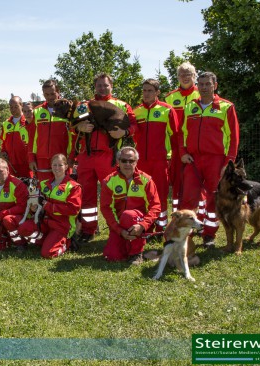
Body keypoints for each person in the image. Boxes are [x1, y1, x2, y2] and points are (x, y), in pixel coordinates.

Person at [73, 73, 138, 244]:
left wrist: (123, 132)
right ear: (95, 87)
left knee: (114, 194)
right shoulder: (84, 106)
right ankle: (89, 230)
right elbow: (72, 126)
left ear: (111, 86)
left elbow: (134, 125)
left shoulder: (122, 104)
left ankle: (119, 228)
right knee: (87, 196)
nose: (102, 88)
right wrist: (79, 127)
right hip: (86, 156)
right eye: (99, 85)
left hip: (108, 156)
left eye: (105, 85)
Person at [179, 71, 239, 247]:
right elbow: (182, 133)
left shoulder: (226, 107)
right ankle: (186, 232)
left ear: (215, 86)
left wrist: (229, 162)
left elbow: (234, 137)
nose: (204, 87)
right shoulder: (189, 107)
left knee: (213, 198)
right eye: (201, 84)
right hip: (193, 160)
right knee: (188, 198)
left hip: (216, 160)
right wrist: (183, 152)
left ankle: (209, 234)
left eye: (208, 84)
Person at [133, 79, 179, 233]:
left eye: (150, 90)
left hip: (160, 160)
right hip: (141, 162)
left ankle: (161, 226)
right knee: (142, 193)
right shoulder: (136, 111)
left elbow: (175, 136)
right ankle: (146, 225)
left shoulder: (167, 110)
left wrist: (173, 158)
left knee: (160, 194)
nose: (146, 94)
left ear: (157, 92)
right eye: (144, 90)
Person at [100, 147, 161, 264]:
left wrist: (143, 225)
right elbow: (106, 208)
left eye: (131, 161)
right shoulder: (109, 181)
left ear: (136, 162)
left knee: (129, 215)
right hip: (119, 225)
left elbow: (155, 206)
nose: (127, 164)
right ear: (118, 161)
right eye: (124, 160)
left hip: (138, 223)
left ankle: (136, 254)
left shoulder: (146, 180)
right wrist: (118, 229)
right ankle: (129, 246)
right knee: (112, 256)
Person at [18, 154, 82, 258]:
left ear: (66, 167)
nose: (57, 168)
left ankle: (67, 243)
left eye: (60, 165)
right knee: (23, 229)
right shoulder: (43, 184)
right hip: (44, 222)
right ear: (51, 166)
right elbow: (37, 201)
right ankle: (46, 242)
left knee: (48, 253)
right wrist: (34, 208)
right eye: (54, 165)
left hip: (61, 226)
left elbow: (73, 209)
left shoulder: (73, 186)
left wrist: (48, 206)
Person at [165, 62, 200, 213]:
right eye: (182, 74)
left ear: (194, 76)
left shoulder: (201, 94)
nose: (185, 77)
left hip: (196, 144)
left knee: (197, 181)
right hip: (175, 145)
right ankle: (177, 215)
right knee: (178, 182)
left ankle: (198, 216)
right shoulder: (170, 98)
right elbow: (166, 127)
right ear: (177, 77)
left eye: (188, 74)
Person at [28, 79, 73, 182]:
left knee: (62, 190)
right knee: (43, 190)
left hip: (62, 159)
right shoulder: (37, 111)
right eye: (46, 94)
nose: (50, 97)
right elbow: (32, 137)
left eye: (52, 94)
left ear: (58, 92)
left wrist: (71, 157)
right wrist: (31, 158)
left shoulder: (67, 109)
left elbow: (74, 136)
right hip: (42, 159)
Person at [0, 96, 32, 178]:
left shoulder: (28, 121)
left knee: (27, 188)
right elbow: (3, 142)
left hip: (26, 164)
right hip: (10, 164)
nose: (13, 109)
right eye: (11, 107)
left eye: (16, 106)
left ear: (21, 105)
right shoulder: (6, 123)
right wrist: (3, 151)